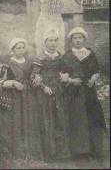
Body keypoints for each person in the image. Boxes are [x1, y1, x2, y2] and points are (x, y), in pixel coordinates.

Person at [60, 27, 106, 161]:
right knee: (77, 119)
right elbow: (62, 73)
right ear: (71, 40)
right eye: (75, 38)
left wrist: (93, 78)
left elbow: (97, 70)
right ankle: (79, 152)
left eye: (80, 38)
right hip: (74, 93)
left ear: (84, 39)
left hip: (89, 91)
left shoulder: (90, 53)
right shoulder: (67, 56)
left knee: (92, 118)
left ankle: (95, 150)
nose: (78, 40)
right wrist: (71, 80)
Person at [30, 29, 70, 162]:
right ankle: (49, 153)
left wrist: (66, 76)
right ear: (45, 42)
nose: (53, 43)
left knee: (60, 120)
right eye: (50, 41)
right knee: (47, 120)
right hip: (45, 93)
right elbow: (33, 77)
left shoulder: (60, 56)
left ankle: (61, 153)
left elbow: (65, 70)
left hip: (59, 92)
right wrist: (43, 87)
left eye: (55, 40)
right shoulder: (40, 58)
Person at [0, 37, 33, 161]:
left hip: (26, 96)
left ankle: (26, 150)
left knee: (26, 120)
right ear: (12, 50)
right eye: (18, 48)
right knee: (14, 121)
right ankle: (12, 151)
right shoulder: (8, 64)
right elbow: (0, 82)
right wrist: (13, 83)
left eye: (23, 47)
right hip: (13, 97)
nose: (21, 50)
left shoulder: (29, 62)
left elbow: (32, 76)